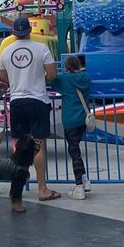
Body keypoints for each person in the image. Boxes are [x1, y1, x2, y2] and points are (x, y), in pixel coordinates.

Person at [0, 16, 61, 202]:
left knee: (20, 147)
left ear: (14, 33)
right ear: (29, 31)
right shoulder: (41, 48)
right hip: (37, 99)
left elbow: (3, 78)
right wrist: (39, 78)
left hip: (17, 100)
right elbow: (52, 74)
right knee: (38, 145)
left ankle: (17, 190)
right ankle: (42, 189)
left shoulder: (6, 52)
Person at [50, 56, 92, 200]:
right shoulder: (86, 77)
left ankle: (79, 185)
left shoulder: (64, 79)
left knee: (74, 151)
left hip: (69, 120)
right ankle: (85, 180)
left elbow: (52, 80)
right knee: (76, 149)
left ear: (66, 67)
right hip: (83, 120)